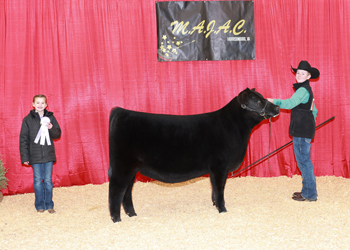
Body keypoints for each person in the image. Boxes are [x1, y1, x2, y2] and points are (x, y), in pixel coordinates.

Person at [267, 60, 319, 202]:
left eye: (303, 73)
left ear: (308, 76)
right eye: (298, 73)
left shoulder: (302, 90)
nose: (300, 75)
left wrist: (274, 101)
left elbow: (289, 104)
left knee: (303, 162)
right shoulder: (306, 89)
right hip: (304, 130)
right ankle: (308, 191)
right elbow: (314, 110)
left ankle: (310, 194)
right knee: (304, 161)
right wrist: (311, 125)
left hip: (302, 131)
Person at [20, 94, 61, 213]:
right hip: (34, 155)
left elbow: (57, 134)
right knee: (38, 180)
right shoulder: (27, 120)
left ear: (46, 105)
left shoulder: (51, 117)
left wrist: (51, 128)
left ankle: (49, 205)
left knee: (48, 181)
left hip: (48, 155)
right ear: (33, 104)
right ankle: (39, 205)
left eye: (42, 103)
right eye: (37, 103)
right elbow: (23, 139)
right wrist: (25, 157)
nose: (40, 105)